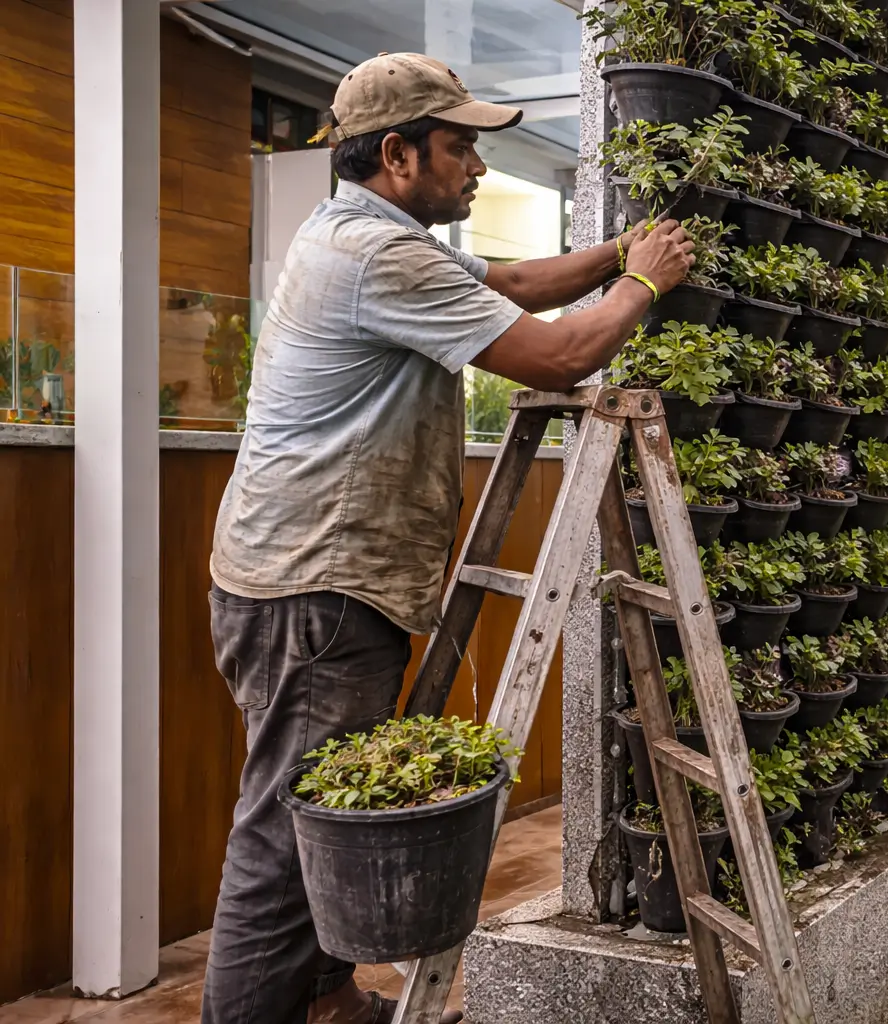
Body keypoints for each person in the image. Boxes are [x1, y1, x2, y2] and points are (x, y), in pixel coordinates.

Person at [201, 53, 694, 1024]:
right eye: (460, 146)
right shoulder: (376, 256)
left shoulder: (369, 234)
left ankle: (326, 1001)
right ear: (397, 154)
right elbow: (558, 354)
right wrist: (644, 283)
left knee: (319, 819)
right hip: (316, 591)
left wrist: (615, 253)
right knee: (280, 848)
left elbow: (516, 280)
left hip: (307, 582)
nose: (477, 166)